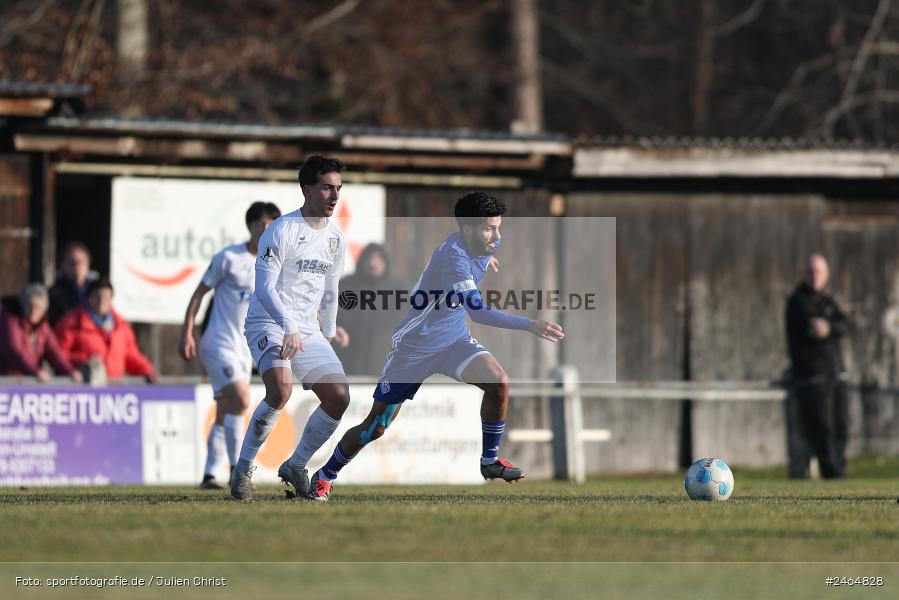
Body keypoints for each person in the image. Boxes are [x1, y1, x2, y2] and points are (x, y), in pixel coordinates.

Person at [306, 191, 564, 501]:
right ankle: (324, 476)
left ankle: (489, 461)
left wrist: (487, 256)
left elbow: (478, 257)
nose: (497, 236)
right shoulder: (454, 260)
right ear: (467, 229)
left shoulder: (477, 245)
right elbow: (479, 313)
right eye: (489, 228)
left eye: (498, 227)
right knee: (375, 427)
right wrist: (530, 324)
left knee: (498, 381)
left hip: (453, 341)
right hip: (414, 348)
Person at [231, 155, 351, 502]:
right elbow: (265, 287)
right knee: (280, 391)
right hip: (269, 322)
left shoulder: (335, 238)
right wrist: (288, 326)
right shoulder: (281, 230)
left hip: (307, 330)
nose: (334, 196)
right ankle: (243, 469)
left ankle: (296, 465)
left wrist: (328, 333)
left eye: (338, 188)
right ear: (307, 190)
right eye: (327, 188)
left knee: (338, 397)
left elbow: (331, 289)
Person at [179, 201, 281, 490]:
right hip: (218, 343)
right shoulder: (229, 258)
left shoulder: (274, 264)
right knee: (241, 399)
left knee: (226, 409)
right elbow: (199, 293)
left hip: (244, 349)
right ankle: (239, 469)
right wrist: (186, 332)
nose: (264, 229)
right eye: (259, 224)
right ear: (250, 226)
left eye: (271, 224)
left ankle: (210, 474)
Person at [785, 253, 849, 478]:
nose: (815, 275)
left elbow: (844, 324)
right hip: (813, 377)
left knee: (841, 425)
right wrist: (826, 327)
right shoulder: (798, 302)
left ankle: (840, 469)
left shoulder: (827, 302)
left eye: (819, 271)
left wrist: (829, 327)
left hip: (836, 374)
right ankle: (831, 472)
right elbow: (811, 327)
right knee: (823, 428)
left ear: (826, 274)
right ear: (804, 274)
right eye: (811, 271)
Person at [55, 278, 160, 383]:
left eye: (106, 297)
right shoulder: (71, 323)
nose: (102, 301)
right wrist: (82, 360)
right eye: (97, 296)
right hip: (83, 387)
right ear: (88, 297)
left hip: (115, 388)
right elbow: (59, 356)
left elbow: (132, 355)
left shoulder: (121, 325)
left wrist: (147, 370)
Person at [334, 243, 406, 374]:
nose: (373, 263)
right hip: (348, 364)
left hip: (386, 366)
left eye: (379, 258)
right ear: (361, 261)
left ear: (386, 262)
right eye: (369, 258)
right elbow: (334, 319)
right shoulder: (346, 286)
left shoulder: (399, 289)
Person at [0, 283, 82, 382]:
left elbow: (54, 352)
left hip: (29, 380)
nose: (33, 311)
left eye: (37, 307)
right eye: (30, 306)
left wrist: (69, 371)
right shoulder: (9, 320)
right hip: (7, 380)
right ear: (22, 305)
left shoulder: (43, 327)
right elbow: (14, 350)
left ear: (44, 310)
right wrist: (35, 371)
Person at [48, 241, 99, 325]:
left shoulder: (99, 291)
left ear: (88, 264)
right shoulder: (53, 295)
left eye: (80, 262)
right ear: (62, 265)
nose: (76, 266)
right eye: (72, 262)